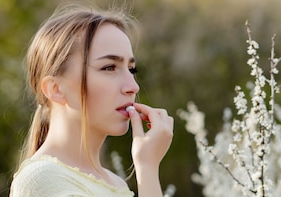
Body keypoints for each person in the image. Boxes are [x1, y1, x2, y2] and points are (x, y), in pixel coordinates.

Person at [10, 3, 173, 196]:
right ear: (55, 89)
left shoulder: (117, 184)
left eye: (131, 69)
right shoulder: (41, 181)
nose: (133, 87)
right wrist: (147, 168)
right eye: (109, 67)